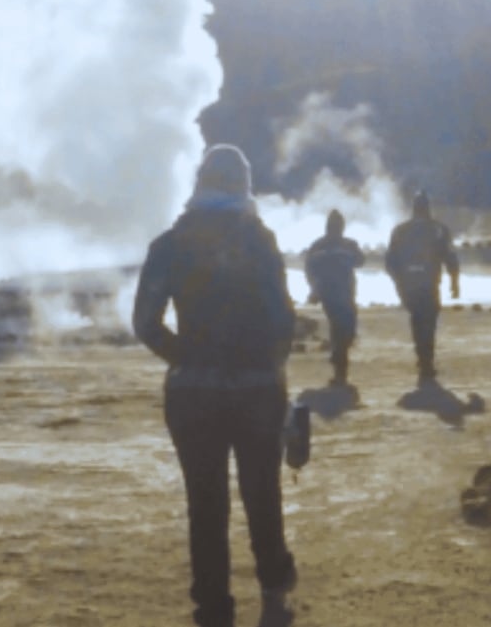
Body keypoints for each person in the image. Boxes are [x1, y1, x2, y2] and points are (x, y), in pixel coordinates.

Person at [134, 145, 299, 627]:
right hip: (256, 390)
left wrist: (185, 357)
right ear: (243, 185)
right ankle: (272, 575)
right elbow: (282, 317)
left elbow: (145, 321)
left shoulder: (169, 244)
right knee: (261, 490)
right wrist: (273, 369)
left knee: (205, 502)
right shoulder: (259, 240)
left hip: (192, 394)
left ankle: (213, 605)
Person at [384, 191, 459, 386]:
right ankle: (427, 361)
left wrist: (398, 283)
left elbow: (390, 261)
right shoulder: (438, 229)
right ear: (428, 207)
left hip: (409, 286)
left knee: (417, 322)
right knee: (429, 323)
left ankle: (423, 359)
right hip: (429, 283)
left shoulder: (400, 230)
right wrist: (454, 282)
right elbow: (450, 256)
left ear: (413, 208)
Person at [304, 209, 366, 388]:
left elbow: (361, 261)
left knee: (346, 328)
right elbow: (309, 269)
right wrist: (313, 289)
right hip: (331, 294)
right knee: (341, 326)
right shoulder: (320, 245)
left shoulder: (346, 244)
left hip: (343, 292)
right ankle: (340, 368)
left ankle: (338, 358)